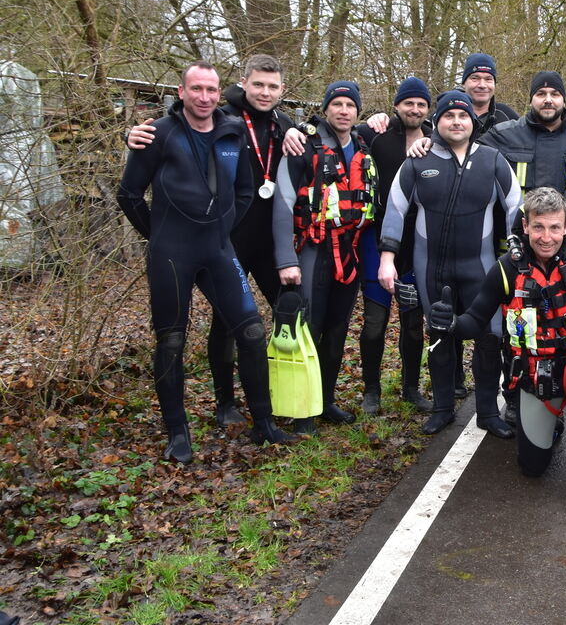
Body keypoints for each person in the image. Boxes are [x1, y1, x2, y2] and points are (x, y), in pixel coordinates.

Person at [117, 61, 296, 462]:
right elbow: (128, 194)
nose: (204, 97)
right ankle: (178, 434)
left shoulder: (231, 130)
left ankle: (263, 423)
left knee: (251, 333)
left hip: (218, 249)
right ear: (181, 92)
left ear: (220, 93)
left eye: (210, 90)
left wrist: (222, 227)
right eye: (196, 89)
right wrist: (159, 236)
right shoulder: (158, 134)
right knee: (172, 341)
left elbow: (245, 191)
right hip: (171, 255)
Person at [428, 187, 566, 524]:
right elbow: (476, 320)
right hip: (536, 372)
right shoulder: (507, 268)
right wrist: (449, 324)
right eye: (539, 227)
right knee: (532, 469)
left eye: (555, 227)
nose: (547, 237)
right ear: (525, 225)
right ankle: (550, 426)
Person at [377, 91, 523, 437]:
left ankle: (488, 412)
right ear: (437, 121)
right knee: (440, 336)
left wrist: (520, 256)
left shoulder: (493, 160)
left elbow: (517, 209)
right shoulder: (417, 161)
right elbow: (395, 210)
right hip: (433, 269)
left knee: (490, 337)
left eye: (462, 116)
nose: (456, 122)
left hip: (481, 269)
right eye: (448, 116)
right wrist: (387, 259)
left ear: (472, 121)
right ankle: (442, 408)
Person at [273, 81, 376, 434]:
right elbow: (284, 203)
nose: (344, 110)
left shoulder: (362, 145)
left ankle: (326, 399)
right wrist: (285, 258)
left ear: (357, 112)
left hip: (348, 251)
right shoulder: (303, 144)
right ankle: (303, 411)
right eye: (337, 104)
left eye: (350, 105)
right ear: (326, 108)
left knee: (337, 330)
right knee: (309, 328)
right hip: (313, 250)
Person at [358, 77, 434, 416]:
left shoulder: (438, 141)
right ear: (397, 106)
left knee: (413, 323)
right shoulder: (378, 138)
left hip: (416, 246)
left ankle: (411, 388)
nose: (414, 109)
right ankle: (371, 390)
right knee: (374, 321)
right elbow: (335, 126)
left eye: (421, 104)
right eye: (408, 103)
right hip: (377, 241)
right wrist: (373, 119)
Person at [481, 71, 566, 239]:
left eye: (555, 94)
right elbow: (462, 149)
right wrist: (432, 139)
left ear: (564, 100)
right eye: (541, 94)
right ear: (531, 99)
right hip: (516, 247)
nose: (548, 100)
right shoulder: (503, 136)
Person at [461, 52, 519, 133]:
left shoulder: (507, 116)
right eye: (475, 78)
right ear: (463, 83)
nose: (482, 85)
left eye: (488, 79)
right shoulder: (448, 115)